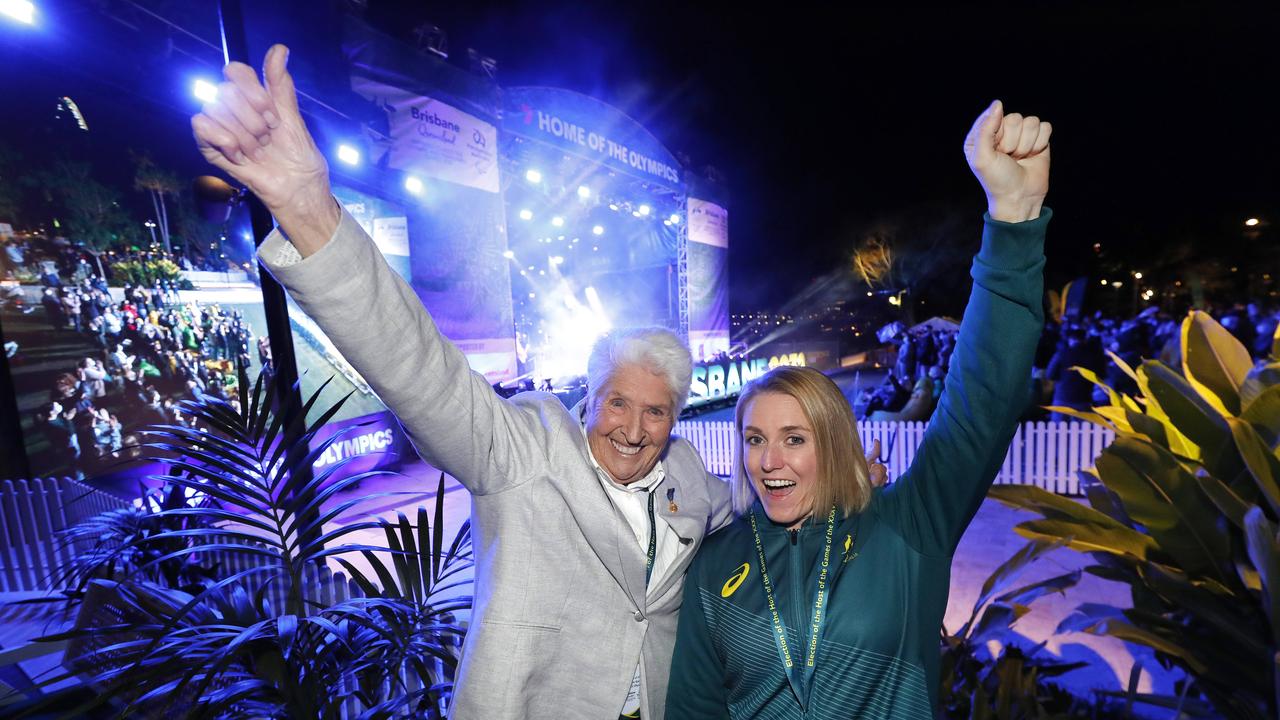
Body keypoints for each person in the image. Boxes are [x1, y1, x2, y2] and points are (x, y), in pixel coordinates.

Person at [189, 44, 890, 720]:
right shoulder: (521, 453)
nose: (634, 428)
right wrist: (310, 211)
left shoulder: (687, 478)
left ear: (675, 420)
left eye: (656, 412)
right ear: (592, 399)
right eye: (619, 402)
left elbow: (758, 518)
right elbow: (418, 368)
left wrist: (845, 487)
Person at [666, 100, 1051, 718]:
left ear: (835, 441)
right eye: (755, 438)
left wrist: (1013, 219)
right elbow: (695, 709)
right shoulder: (717, 564)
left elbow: (982, 398)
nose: (769, 460)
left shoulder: (907, 529)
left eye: (795, 438)